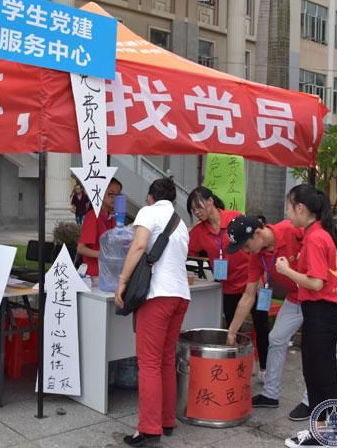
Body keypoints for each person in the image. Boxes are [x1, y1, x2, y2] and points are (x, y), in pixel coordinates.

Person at [225, 215, 337, 423]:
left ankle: (311, 402)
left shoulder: (295, 231)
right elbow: (248, 295)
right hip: (296, 298)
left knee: (322, 354)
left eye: (245, 245)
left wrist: (327, 289)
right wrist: (232, 331)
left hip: (323, 301)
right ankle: (270, 393)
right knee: (276, 337)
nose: (245, 251)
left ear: (258, 233)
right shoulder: (257, 256)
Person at [115, 178, 190, 447]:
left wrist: (122, 281)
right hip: (180, 297)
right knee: (166, 360)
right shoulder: (182, 223)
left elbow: (138, 246)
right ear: (174, 200)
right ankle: (167, 421)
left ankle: (149, 429)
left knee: (148, 363)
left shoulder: (149, 211)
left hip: (158, 296)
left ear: (150, 197)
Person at [274, 185, 337, 448]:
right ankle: (319, 433)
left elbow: (316, 283)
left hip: (322, 314)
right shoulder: (315, 234)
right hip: (318, 314)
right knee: (314, 376)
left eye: (288, 207)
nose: (287, 213)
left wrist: (285, 270)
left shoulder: (316, 238)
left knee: (324, 378)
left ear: (300, 208)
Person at [186, 187, 268, 379]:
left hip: (253, 282)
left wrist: (262, 277)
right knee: (233, 328)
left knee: (262, 326)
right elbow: (191, 255)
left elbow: (257, 245)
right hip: (229, 287)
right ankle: (238, 368)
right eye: (193, 210)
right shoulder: (198, 232)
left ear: (210, 201)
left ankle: (265, 368)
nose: (197, 212)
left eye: (198, 207)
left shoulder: (235, 218)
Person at [76, 178, 122, 277]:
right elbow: (81, 248)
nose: (115, 198)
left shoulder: (113, 217)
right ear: (100, 194)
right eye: (110, 194)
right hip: (94, 276)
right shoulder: (93, 216)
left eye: (118, 195)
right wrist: (105, 255)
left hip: (110, 273)